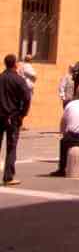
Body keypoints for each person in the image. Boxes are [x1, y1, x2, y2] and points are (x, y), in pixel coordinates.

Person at [0, 55, 32, 186]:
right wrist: (22, 114)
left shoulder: (0, 78)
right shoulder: (19, 80)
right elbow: (27, 98)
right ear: (16, 64)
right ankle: (8, 176)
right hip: (12, 117)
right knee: (11, 147)